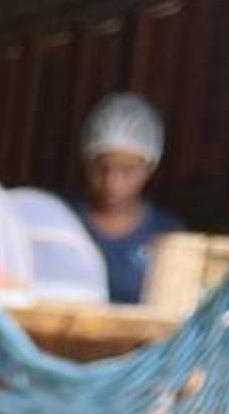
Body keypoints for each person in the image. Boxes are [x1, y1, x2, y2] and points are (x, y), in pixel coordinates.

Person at [70, 93, 180, 308]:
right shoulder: (65, 222)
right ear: (86, 162)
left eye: (128, 170)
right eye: (102, 168)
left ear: (150, 168)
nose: (113, 183)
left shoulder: (166, 235)